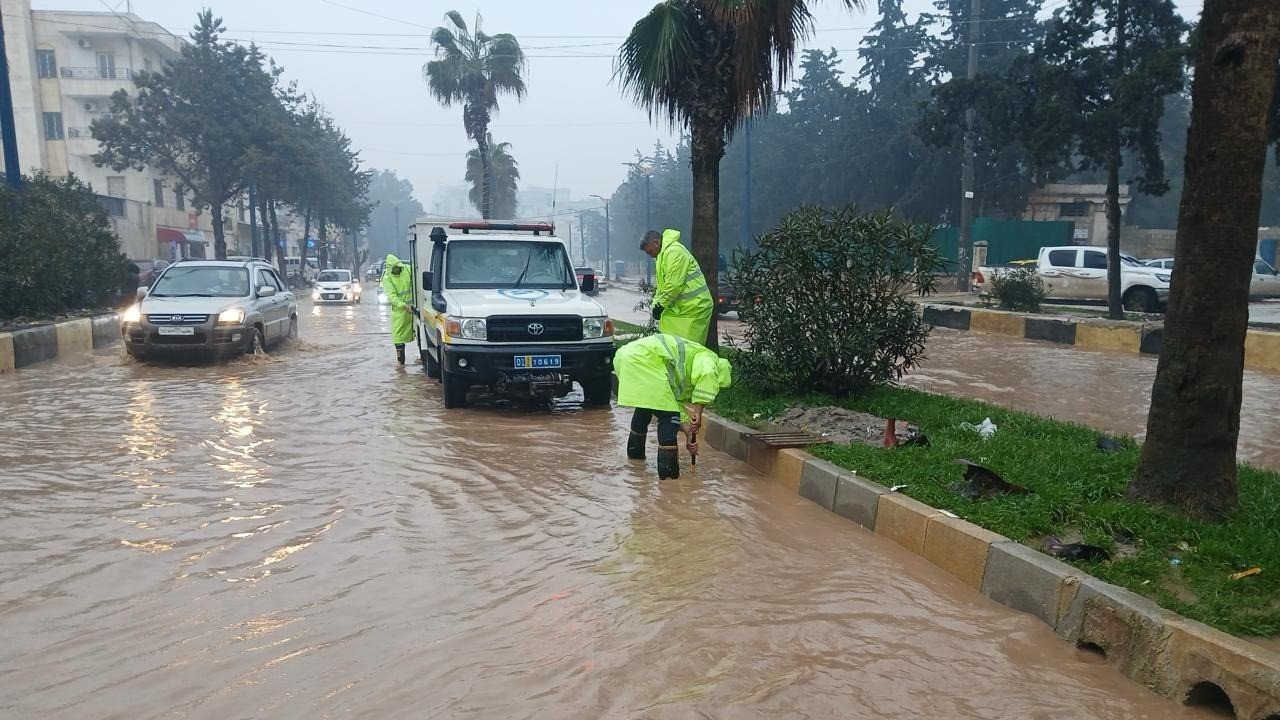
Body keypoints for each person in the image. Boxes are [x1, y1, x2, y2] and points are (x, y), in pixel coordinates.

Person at [615, 333, 732, 480]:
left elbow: (672, 404)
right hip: (644, 360)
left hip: (625, 357)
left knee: (646, 407)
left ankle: (635, 464)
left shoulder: (685, 370)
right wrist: (698, 412)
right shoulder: (709, 359)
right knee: (668, 417)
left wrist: (689, 433)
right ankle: (669, 482)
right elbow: (707, 375)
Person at [641, 229, 714, 345]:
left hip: (696, 307)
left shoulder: (675, 252)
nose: (650, 255)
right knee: (674, 346)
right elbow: (662, 287)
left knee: (689, 347)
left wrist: (660, 306)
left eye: (649, 252)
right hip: (685, 308)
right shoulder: (662, 256)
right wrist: (657, 304)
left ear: (656, 243)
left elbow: (673, 286)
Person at [380, 253, 416, 364]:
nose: (397, 270)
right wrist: (403, 305)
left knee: (419, 333)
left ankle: (421, 357)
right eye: (394, 268)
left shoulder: (408, 269)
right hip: (400, 311)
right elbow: (392, 296)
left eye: (397, 267)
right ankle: (401, 363)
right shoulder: (387, 278)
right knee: (398, 336)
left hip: (415, 308)